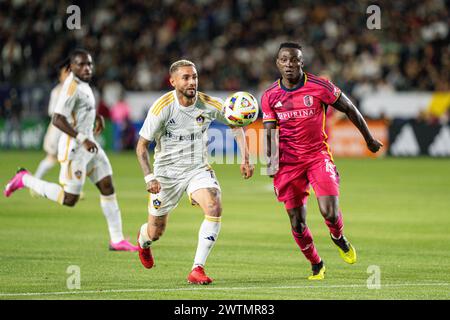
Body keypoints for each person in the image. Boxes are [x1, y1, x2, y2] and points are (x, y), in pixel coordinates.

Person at [262, 42, 383, 280]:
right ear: (277, 63)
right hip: (288, 164)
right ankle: (316, 263)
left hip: (317, 156)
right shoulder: (269, 96)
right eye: (284, 60)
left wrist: (369, 138)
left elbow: (349, 108)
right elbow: (269, 131)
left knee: (328, 212)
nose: (289, 64)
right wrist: (271, 161)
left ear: (301, 62)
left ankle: (338, 237)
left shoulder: (320, 86)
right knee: (297, 222)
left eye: (294, 59)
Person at [4, 49, 138, 252]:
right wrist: (82, 138)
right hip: (75, 148)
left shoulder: (84, 85)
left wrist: (97, 118)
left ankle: (117, 239)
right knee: (69, 199)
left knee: (107, 185)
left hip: (89, 145)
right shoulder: (70, 87)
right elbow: (57, 119)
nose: (87, 68)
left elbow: (81, 111)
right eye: (81, 64)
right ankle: (24, 179)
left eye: (89, 64)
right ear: (71, 67)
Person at [135, 59, 254, 284]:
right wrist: (149, 177)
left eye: (195, 77)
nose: (192, 82)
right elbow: (141, 146)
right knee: (156, 232)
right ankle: (143, 241)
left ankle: (197, 268)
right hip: (166, 175)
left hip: (197, 169)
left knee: (214, 203)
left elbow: (235, 123)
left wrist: (245, 158)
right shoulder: (162, 108)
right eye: (186, 77)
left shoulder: (209, 104)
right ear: (173, 81)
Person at [33, 59, 70, 182]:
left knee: (69, 158)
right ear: (60, 77)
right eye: (66, 73)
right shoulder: (57, 91)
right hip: (57, 130)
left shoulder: (73, 91)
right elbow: (52, 112)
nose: (69, 75)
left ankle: (70, 187)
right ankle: (34, 180)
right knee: (52, 158)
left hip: (67, 130)